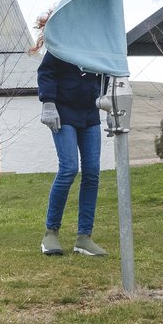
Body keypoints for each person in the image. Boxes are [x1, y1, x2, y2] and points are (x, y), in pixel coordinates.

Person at [34, 21, 108, 257]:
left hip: (89, 115)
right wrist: (47, 102)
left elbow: (105, 74)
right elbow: (46, 72)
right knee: (68, 169)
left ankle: (84, 238)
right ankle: (51, 234)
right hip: (63, 113)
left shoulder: (95, 45)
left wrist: (106, 95)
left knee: (92, 172)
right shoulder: (60, 46)